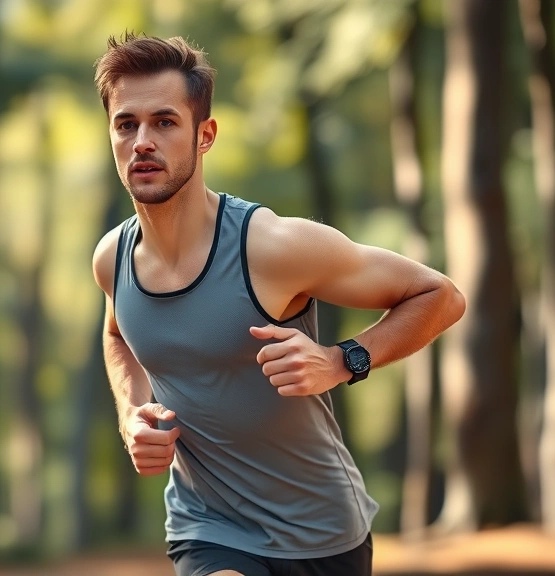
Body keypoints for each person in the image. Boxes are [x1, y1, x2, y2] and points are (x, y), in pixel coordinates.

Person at [91, 33, 465, 576]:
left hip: (323, 534)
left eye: (165, 122)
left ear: (205, 135)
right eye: (127, 124)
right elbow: (118, 333)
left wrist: (341, 360)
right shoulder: (113, 259)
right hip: (206, 527)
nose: (143, 140)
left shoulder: (272, 247)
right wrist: (131, 416)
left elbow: (440, 296)